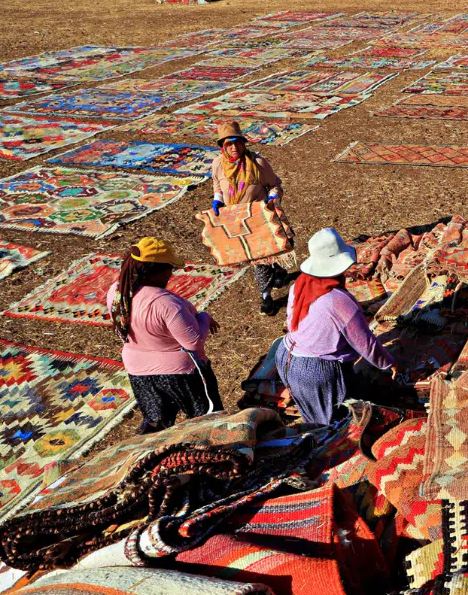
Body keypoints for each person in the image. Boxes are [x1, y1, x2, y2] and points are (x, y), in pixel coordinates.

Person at [276, 228, 395, 425]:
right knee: (336, 423)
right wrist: (389, 363)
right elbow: (364, 343)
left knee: (314, 417)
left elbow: (295, 320)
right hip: (316, 371)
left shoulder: (300, 284)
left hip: (287, 357)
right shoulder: (338, 301)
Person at [107, 237, 223, 434]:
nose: (171, 273)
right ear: (156, 271)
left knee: (155, 421)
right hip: (180, 373)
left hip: (138, 370)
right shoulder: (166, 304)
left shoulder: (116, 292)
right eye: (170, 268)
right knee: (206, 418)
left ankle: (149, 448)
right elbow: (193, 342)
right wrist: (204, 317)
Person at [211, 120, 290, 317]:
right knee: (259, 259)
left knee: (264, 257)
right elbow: (217, 185)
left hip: (259, 218)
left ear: (243, 143)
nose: (234, 147)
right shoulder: (218, 165)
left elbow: (275, 184)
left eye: (237, 142)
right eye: (229, 144)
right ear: (223, 147)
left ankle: (267, 295)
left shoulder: (257, 164)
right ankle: (273, 281)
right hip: (237, 221)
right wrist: (218, 200)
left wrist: (272, 198)